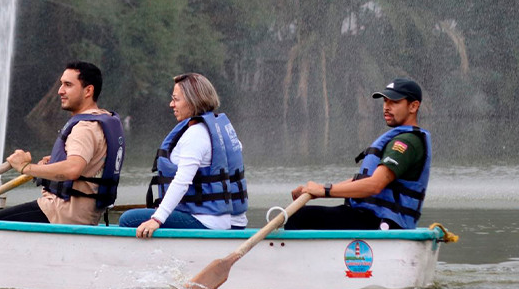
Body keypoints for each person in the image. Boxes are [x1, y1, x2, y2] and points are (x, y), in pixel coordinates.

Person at [0, 61, 125, 225]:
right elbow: (89, 162)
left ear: (88, 90)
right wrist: (54, 162)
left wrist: (25, 168)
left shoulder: (84, 128)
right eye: (61, 84)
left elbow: (73, 169)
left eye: (68, 85)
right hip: (79, 214)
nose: (60, 91)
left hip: (61, 213)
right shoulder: (101, 119)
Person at [285, 78, 431, 230]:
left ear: (413, 106)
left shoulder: (406, 143)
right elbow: (364, 179)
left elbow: (374, 185)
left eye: (394, 102)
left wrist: (324, 191)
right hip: (370, 217)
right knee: (299, 215)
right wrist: (317, 190)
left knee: (301, 218)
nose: (386, 107)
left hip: (383, 222)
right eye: (385, 101)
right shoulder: (402, 138)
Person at [119, 73, 249, 238]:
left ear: (193, 100)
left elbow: (182, 181)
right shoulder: (221, 130)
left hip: (206, 222)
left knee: (129, 219)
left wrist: (157, 219)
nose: (171, 104)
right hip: (233, 222)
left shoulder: (195, 134)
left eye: (176, 99)